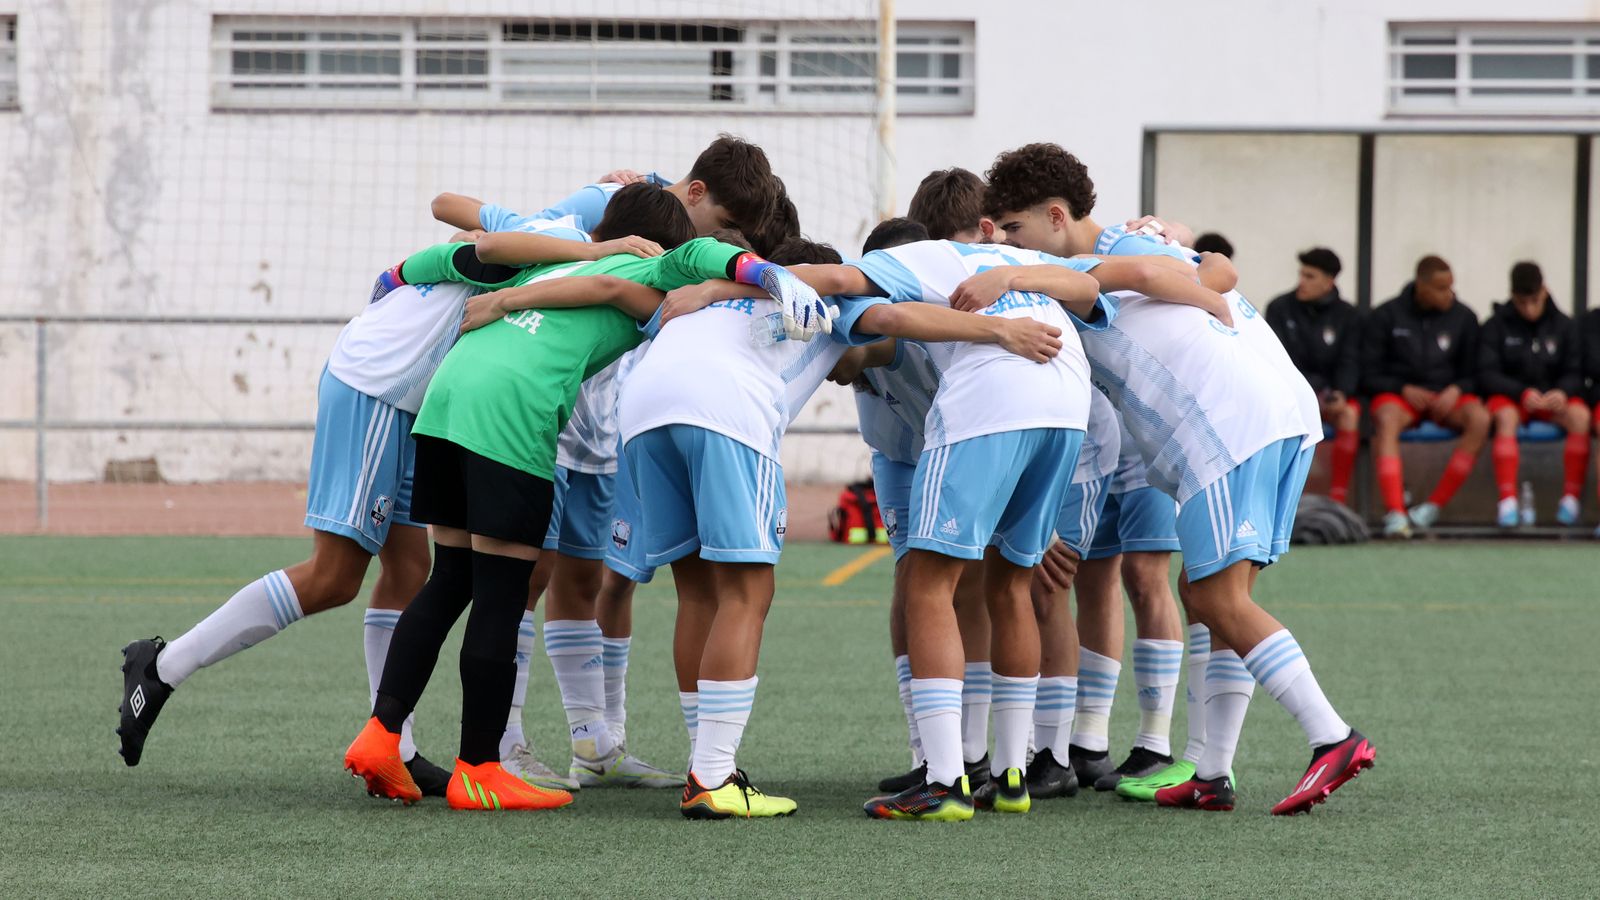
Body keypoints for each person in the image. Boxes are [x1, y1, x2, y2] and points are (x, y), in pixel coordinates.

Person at [113, 216, 650, 794]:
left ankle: (395, 747)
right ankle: (163, 667)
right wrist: (596, 249)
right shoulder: (558, 248)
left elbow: (429, 246)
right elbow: (474, 235)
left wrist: (395, 280)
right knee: (334, 577)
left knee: (412, 569)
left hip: (421, 408)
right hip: (379, 392)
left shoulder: (536, 258)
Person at [341, 184, 827, 811]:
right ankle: (480, 768)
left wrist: (394, 277)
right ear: (657, 243)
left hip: (448, 396)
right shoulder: (650, 262)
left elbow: (467, 246)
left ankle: (382, 734)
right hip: (510, 410)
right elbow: (702, 259)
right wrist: (767, 274)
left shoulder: (556, 252)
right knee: (502, 593)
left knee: (451, 578)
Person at [985, 141, 1374, 816]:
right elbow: (1204, 265)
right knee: (1205, 592)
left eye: (1015, 228)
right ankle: (1211, 772)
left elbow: (1158, 271)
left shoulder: (1092, 259)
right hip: (1268, 414)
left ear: (1055, 216)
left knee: (1218, 598)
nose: (1009, 243)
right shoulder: (1126, 243)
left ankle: (1332, 737)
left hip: (1228, 426)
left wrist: (1007, 279)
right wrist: (1201, 275)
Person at [1364, 256, 1491, 538]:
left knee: (1480, 419)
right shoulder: (1386, 315)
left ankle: (1432, 508)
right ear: (1421, 287)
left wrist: (1456, 389)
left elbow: (1477, 373)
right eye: (1441, 288)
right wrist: (1403, 388)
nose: (1450, 294)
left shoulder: (1464, 318)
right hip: (1403, 399)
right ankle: (1396, 514)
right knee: (1386, 418)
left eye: (1451, 287)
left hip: (1448, 400)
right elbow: (1368, 374)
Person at [1478, 262, 1589, 528]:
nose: (1529, 309)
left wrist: (1562, 391)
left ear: (1545, 291)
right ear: (1512, 296)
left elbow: (1577, 371)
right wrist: (1520, 392)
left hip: (1553, 401)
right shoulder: (1495, 325)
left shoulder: (1565, 325)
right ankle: (1507, 502)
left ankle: (1570, 501)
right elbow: (1487, 373)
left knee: (1580, 416)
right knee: (1505, 417)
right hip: (1514, 399)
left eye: (1534, 301)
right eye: (1521, 303)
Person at [1267, 248, 1363, 506]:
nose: (1302, 282)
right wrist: (1311, 391)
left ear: (1329, 282)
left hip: (1329, 395)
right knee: (1275, 415)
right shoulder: (1279, 308)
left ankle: (1337, 500)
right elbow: (1279, 360)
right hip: (1292, 393)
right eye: (1301, 274)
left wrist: (1341, 392)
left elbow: (1350, 359)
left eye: (1310, 276)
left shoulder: (1348, 315)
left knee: (1349, 414)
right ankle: (1280, 499)